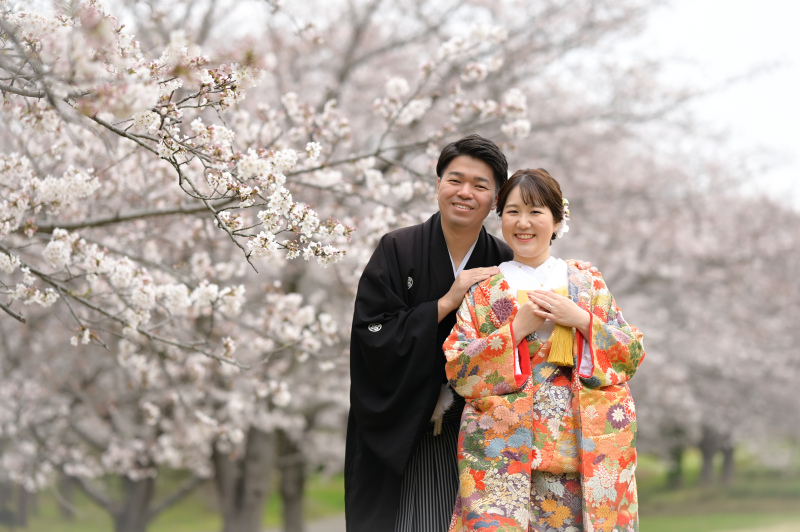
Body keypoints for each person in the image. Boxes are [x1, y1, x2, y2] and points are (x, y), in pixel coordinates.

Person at [443, 168, 644, 532]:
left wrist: (581, 319)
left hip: (583, 454)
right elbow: (459, 370)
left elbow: (630, 355)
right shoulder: (484, 290)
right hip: (504, 457)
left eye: (535, 211)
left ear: (556, 219)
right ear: (500, 217)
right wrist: (516, 330)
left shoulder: (586, 282)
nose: (523, 222)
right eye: (512, 211)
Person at [345, 134, 513, 532]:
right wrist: (446, 302)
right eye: (455, 180)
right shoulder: (397, 249)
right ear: (438, 184)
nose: (465, 193)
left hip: (478, 430)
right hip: (403, 425)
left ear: (495, 199)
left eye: (480, 185)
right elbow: (371, 336)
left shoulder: (505, 261)